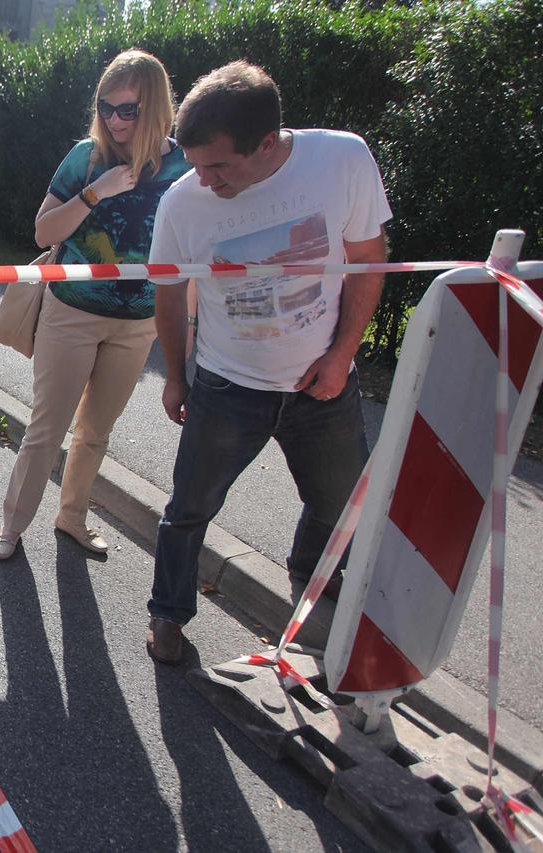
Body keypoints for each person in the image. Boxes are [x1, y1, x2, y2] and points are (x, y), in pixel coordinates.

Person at [144, 60, 392, 664]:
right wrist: (177, 374)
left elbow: (368, 259)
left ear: (266, 143)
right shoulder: (184, 201)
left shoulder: (341, 161)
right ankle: (168, 615)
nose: (202, 180)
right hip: (228, 387)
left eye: (218, 166)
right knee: (189, 509)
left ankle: (312, 598)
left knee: (338, 508)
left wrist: (342, 356)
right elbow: (169, 293)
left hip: (323, 385)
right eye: (193, 163)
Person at [0, 49, 191, 561]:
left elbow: (195, 246)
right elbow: (43, 230)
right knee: (46, 428)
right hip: (72, 311)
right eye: (107, 107)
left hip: (137, 323)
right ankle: (11, 527)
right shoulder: (87, 157)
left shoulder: (183, 166)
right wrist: (95, 193)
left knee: (96, 432)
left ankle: (72, 519)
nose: (116, 120)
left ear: (158, 108)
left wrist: (188, 326)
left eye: (130, 110)